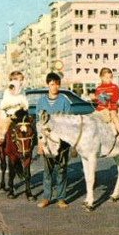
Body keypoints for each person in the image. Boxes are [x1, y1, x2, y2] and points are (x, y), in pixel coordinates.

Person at [37, 72, 71, 208]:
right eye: (52, 84)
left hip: (61, 142)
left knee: (61, 169)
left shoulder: (64, 101)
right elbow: (38, 124)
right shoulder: (41, 101)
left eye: (57, 84)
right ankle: (46, 197)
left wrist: (70, 145)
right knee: (47, 171)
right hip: (46, 142)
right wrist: (39, 144)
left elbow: (69, 122)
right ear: (48, 85)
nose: (55, 87)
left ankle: (61, 198)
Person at [93, 67, 119, 144]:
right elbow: (99, 101)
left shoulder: (114, 87)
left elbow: (115, 98)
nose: (109, 79)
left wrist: (103, 96)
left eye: (110, 77)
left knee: (115, 118)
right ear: (101, 78)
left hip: (111, 107)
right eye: (107, 78)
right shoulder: (98, 88)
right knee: (92, 117)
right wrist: (94, 98)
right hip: (100, 108)